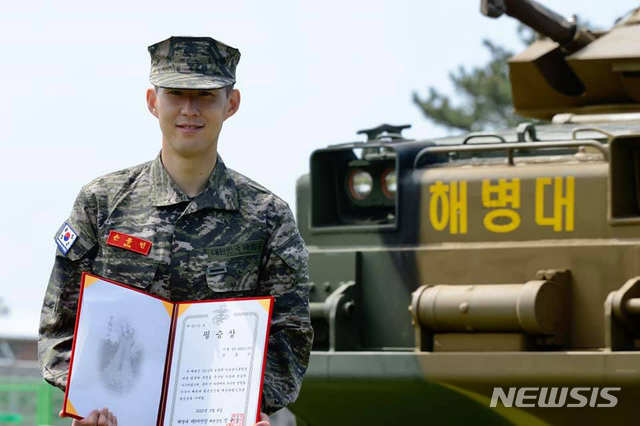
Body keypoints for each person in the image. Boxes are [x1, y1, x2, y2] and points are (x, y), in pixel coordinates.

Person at [38, 36, 313, 426]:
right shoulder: (101, 203)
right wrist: (87, 397)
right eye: (176, 93)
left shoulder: (269, 218)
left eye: (205, 96)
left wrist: (252, 405)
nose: (189, 109)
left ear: (230, 104)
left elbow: (291, 336)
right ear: (153, 101)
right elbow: (60, 320)